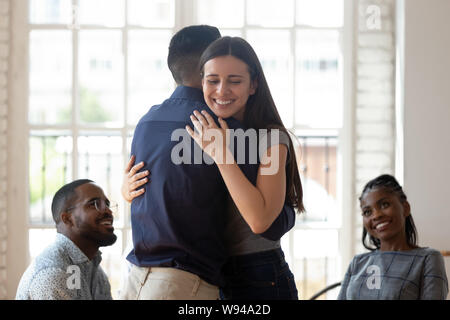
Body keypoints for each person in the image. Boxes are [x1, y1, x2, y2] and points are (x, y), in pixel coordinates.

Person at [120, 26, 295, 300]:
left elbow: (266, 222)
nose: (221, 90)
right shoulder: (205, 127)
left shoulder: (265, 138)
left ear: (254, 83)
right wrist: (127, 191)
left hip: (258, 274)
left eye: (234, 80)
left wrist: (221, 153)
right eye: (213, 79)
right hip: (215, 275)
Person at [337, 174, 448, 300]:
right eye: (368, 212)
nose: (376, 215)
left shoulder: (428, 259)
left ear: (405, 208)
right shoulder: (357, 263)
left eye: (384, 205)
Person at [16, 179, 117, 300]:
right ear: (67, 219)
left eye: (107, 204)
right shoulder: (53, 274)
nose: (108, 211)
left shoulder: (94, 269)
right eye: (94, 204)